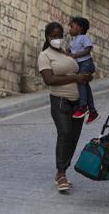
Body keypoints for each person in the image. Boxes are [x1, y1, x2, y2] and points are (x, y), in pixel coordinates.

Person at [38, 22, 93, 191]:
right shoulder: (45, 56)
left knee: (73, 137)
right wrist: (75, 79)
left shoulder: (68, 53)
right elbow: (49, 80)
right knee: (65, 133)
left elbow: (78, 72)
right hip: (60, 101)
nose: (58, 39)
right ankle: (61, 173)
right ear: (48, 37)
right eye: (54, 36)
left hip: (77, 104)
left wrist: (85, 77)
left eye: (60, 35)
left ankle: (64, 169)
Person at [66, 17, 100, 124]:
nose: (69, 29)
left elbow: (87, 50)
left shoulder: (83, 37)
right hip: (79, 65)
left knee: (81, 82)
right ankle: (93, 111)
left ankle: (83, 107)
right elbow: (69, 50)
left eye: (72, 27)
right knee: (84, 85)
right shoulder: (73, 39)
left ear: (80, 28)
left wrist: (74, 55)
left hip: (86, 63)